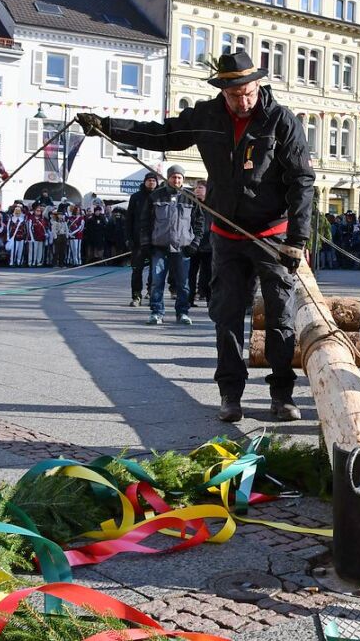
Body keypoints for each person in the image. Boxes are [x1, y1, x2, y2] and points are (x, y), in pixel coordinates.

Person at [76, 50, 315, 423]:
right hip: (227, 234)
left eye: (248, 92)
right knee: (227, 316)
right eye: (235, 94)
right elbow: (163, 134)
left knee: (280, 319)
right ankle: (230, 395)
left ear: (258, 85)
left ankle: (281, 394)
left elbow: (301, 181)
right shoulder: (207, 116)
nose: (243, 101)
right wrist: (107, 126)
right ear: (223, 90)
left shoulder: (280, 120)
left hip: (272, 235)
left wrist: (297, 240)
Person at [141, 165, 203, 325]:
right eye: (174, 177)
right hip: (159, 247)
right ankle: (156, 312)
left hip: (183, 248)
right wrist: (146, 243)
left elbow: (199, 222)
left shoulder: (190, 197)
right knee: (157, 282)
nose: (176, 180)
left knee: (184, 283)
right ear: (168, 178)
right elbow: (145, 222)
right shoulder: (155, 196)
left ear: (183, 179)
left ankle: (182, 312)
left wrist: (195, 243)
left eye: (179, 177)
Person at [127, 172, 159, 306]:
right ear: (145, 182)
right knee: (137, 270)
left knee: (156, 270)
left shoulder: (160, 196)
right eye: (149, 180)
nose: (151, 182)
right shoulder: (136, 197)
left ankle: (152, 293)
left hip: (156, 240)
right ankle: (136, 296)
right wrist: (128, 238)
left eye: (153, 180)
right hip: (138, 240)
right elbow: (129, 219)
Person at [188, 180, 213, 306]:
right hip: (193, 244)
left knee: (209, 274)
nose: (197, 190)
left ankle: (210, 298)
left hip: (209, 245)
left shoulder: (212, 205)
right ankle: (189, 298)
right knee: (191, 273)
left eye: (201, 187)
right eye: (196, 188)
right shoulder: (191, 204)